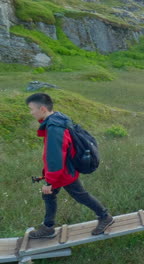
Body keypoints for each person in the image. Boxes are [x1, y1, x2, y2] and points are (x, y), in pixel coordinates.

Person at [25, 93, 114, 239]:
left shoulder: (54, 128)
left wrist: (50, 181)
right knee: (54, 195)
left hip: (64, 172)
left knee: (77, 195)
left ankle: (105, 216)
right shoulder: (58, 118)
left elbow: (55, 158)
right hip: (65, 169)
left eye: (31, 109)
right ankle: (48, 227)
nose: (31, 112)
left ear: (42, 109)